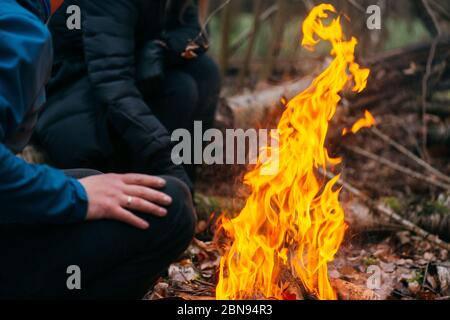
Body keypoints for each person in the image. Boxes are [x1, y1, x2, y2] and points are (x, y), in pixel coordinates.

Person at [0, 0, 196, 299]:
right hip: (74, 125)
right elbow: (112, 78)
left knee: (100, 181)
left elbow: (189, 28)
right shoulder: (17, 31)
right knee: (170, 206)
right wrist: (75, 196)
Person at [34, 0, 221, 182]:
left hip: (117, 78)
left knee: (204, 71)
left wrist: (162, 48)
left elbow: (195, 30)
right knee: (180, 89)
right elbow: (112, 82)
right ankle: (157, 185)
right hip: (71, 107)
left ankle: (181, 190)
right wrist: (165, 159)